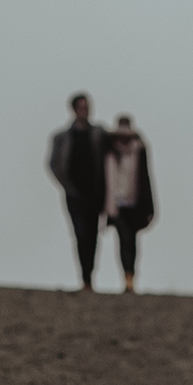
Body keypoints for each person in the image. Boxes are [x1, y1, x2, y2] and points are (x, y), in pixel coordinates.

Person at [47, 92, 109, 292]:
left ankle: (89, 278)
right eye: (81, 107)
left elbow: (115, 147)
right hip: (74, 195)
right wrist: (67, 186)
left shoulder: (99, 134)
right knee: (80, 234)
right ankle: (85, 278)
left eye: (87, 106)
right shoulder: (62, 137)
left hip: (96, 194)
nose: (85, 110)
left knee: (92, 235)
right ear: (73, 110)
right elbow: (53, 164)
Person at [104, 115, 156, 293]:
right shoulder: (110, 152)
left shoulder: (138, 150)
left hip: (134, 203)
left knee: (131, 242)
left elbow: (145, 179)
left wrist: (150, 206)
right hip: (117, 204)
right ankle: (126, 277)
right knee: (124, 239)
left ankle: (130, 277)